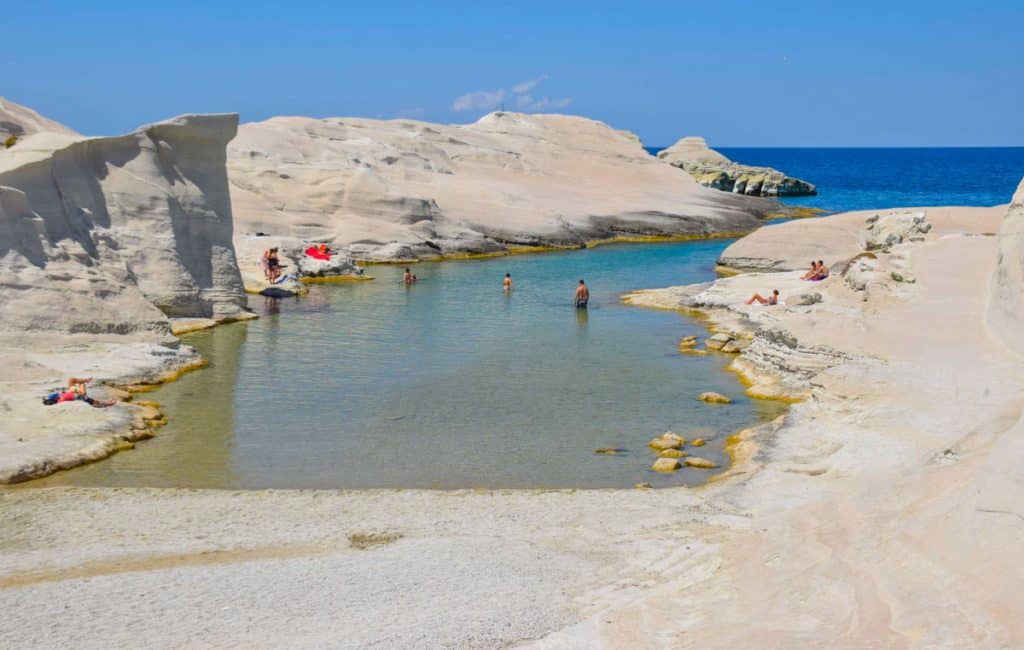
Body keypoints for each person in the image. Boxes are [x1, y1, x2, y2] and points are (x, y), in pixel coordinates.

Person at [43, 377, 117, 408]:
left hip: (72, 393)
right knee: (81, 384)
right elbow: (82, 397)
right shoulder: (62, 397)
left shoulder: (59, 397)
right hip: (79, 394)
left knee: (71, 379)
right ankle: (107, 403)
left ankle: (86, 380)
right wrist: (105, 403)